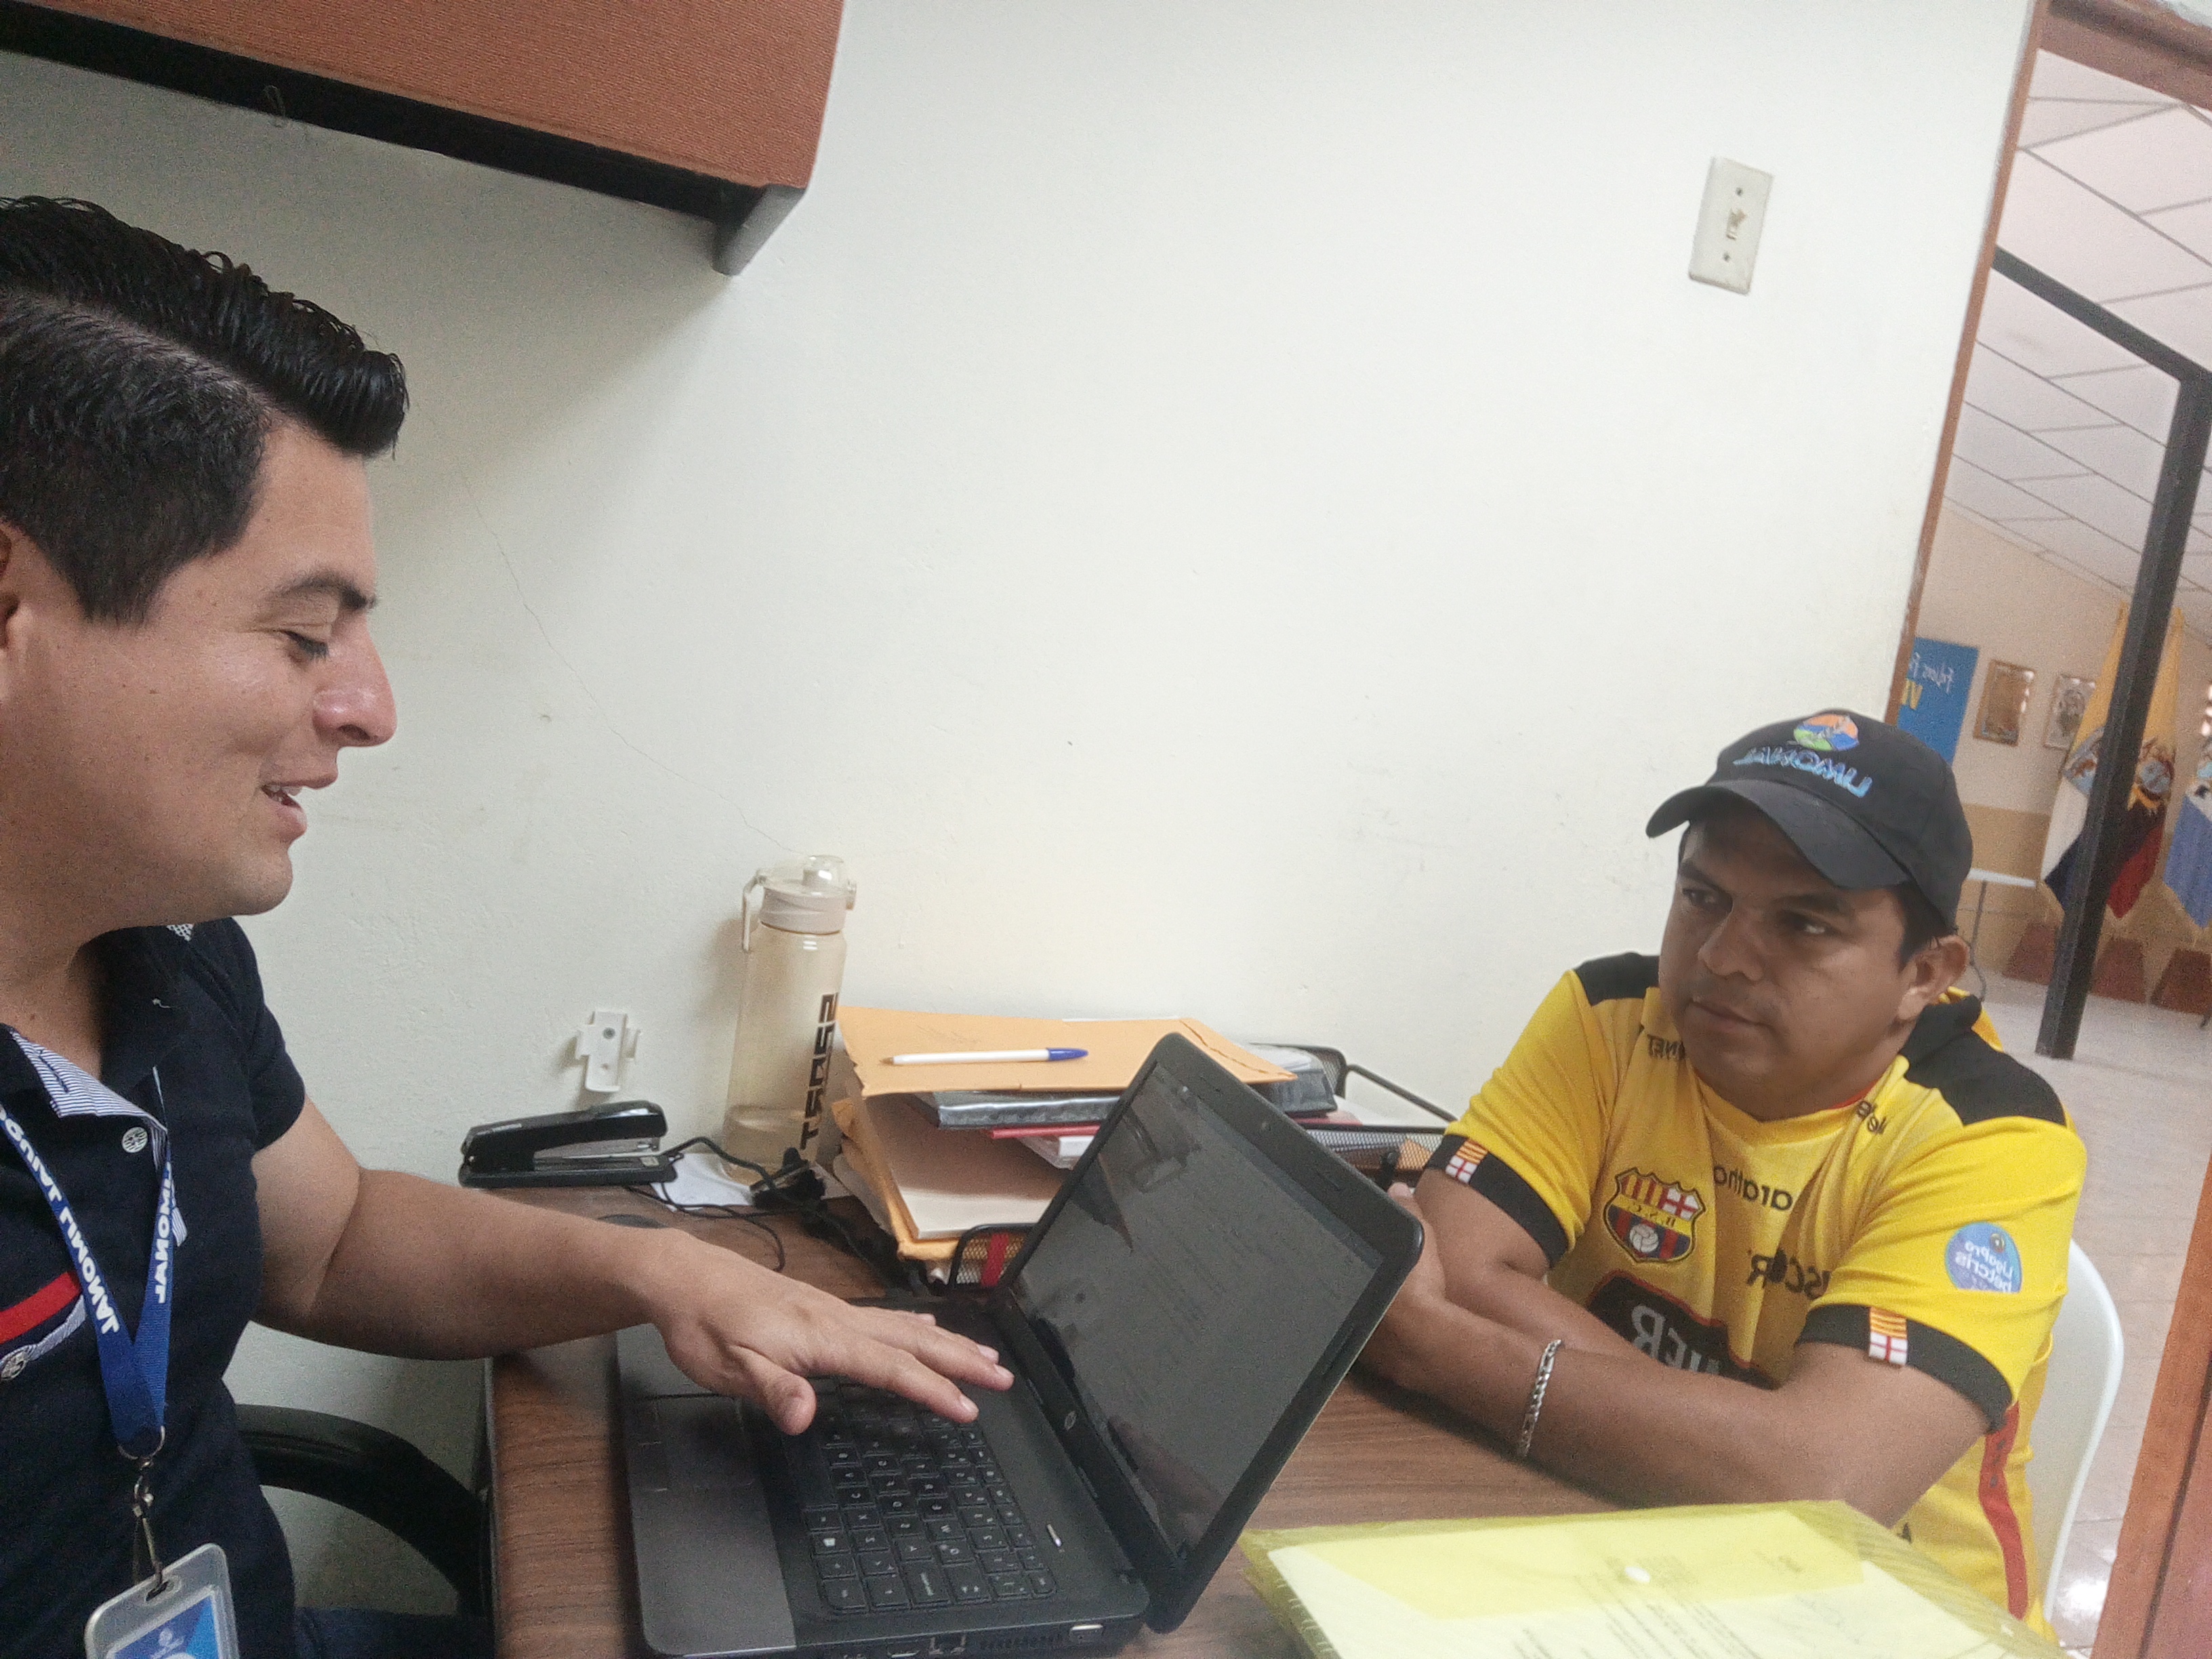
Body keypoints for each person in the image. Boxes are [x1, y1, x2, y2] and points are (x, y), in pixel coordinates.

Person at [0, 197, 1012, 1659]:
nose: (371, 707)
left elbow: (336, 1240)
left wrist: (672, 1273)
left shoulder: (161, 947)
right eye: (305, 635)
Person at [1363, 710, 2085, 1632]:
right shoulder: (1609, 1017)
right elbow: (1456, 1268)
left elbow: (1824, 1487)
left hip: (1886, 1618)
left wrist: (1443, 1351)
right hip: (1615, 1540)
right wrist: (1734, 1447)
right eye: (1703, 896)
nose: (1721, 957)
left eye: (1805, 923)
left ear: (1924, 973)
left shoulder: (1994, 1138)